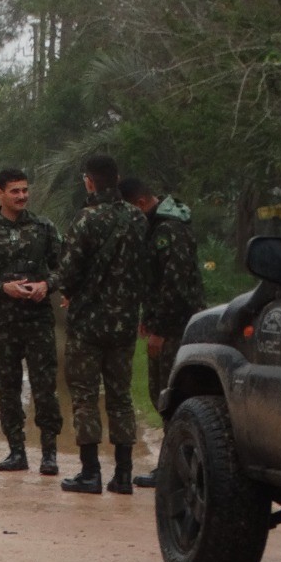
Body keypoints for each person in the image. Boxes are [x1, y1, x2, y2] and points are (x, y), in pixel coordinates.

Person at [55, 154, 148, 496]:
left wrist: (67, 291)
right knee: (121, 397)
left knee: (84, 396)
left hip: (88, 325)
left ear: (89, 181)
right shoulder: (138, 218)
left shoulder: (85, 219)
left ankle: (90, 472)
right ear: (117, 177)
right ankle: (123, 475)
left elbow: (67, 273)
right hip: (124, 324)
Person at [0, 168, 63, 476]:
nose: (22, 196)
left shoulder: (44, 228)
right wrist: (2, 287)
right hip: (3, 324)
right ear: (0, 193)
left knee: (44, 387)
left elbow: (67, 266)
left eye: (24, 190)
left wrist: (46, 285)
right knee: (8, 388)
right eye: (15, 191)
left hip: (38, 322)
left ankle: (49, 454)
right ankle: (16, 451)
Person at [119, 177, 205, 488]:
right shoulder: (154, 227)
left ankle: (182, 471)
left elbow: (176, 286)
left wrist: (161, 330)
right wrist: (147, 316)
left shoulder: (170, 230)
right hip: (163, 322)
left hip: (179, 327)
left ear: (140, 203)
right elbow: (153, 280)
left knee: (173, 397)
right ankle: (175, 467)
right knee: (161, 395)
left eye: (130, 210)